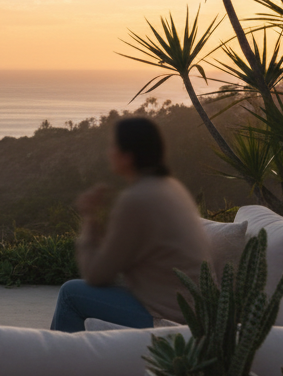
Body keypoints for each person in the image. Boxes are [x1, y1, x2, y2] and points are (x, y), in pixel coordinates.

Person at [49, 116, 211, 332]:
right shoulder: (171, 187)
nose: (109, 152)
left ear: (128, 156)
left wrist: (89, 218)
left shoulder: (137, 199)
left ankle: (59, 364)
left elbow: (97, 275)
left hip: (171, 318)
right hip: (198, 311)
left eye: (113, 146)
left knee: (71, 294)